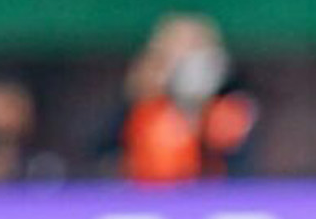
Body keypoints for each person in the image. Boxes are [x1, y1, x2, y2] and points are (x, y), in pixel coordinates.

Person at [100, 13, 258, 183]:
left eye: (195, 48)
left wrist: (198, 113)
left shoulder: (230, 106)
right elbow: (104, 157)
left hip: (212, 193)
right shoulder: (141, 106)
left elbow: (242, 167)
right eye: (174, 51)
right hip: (148, 192)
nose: (187, 62)